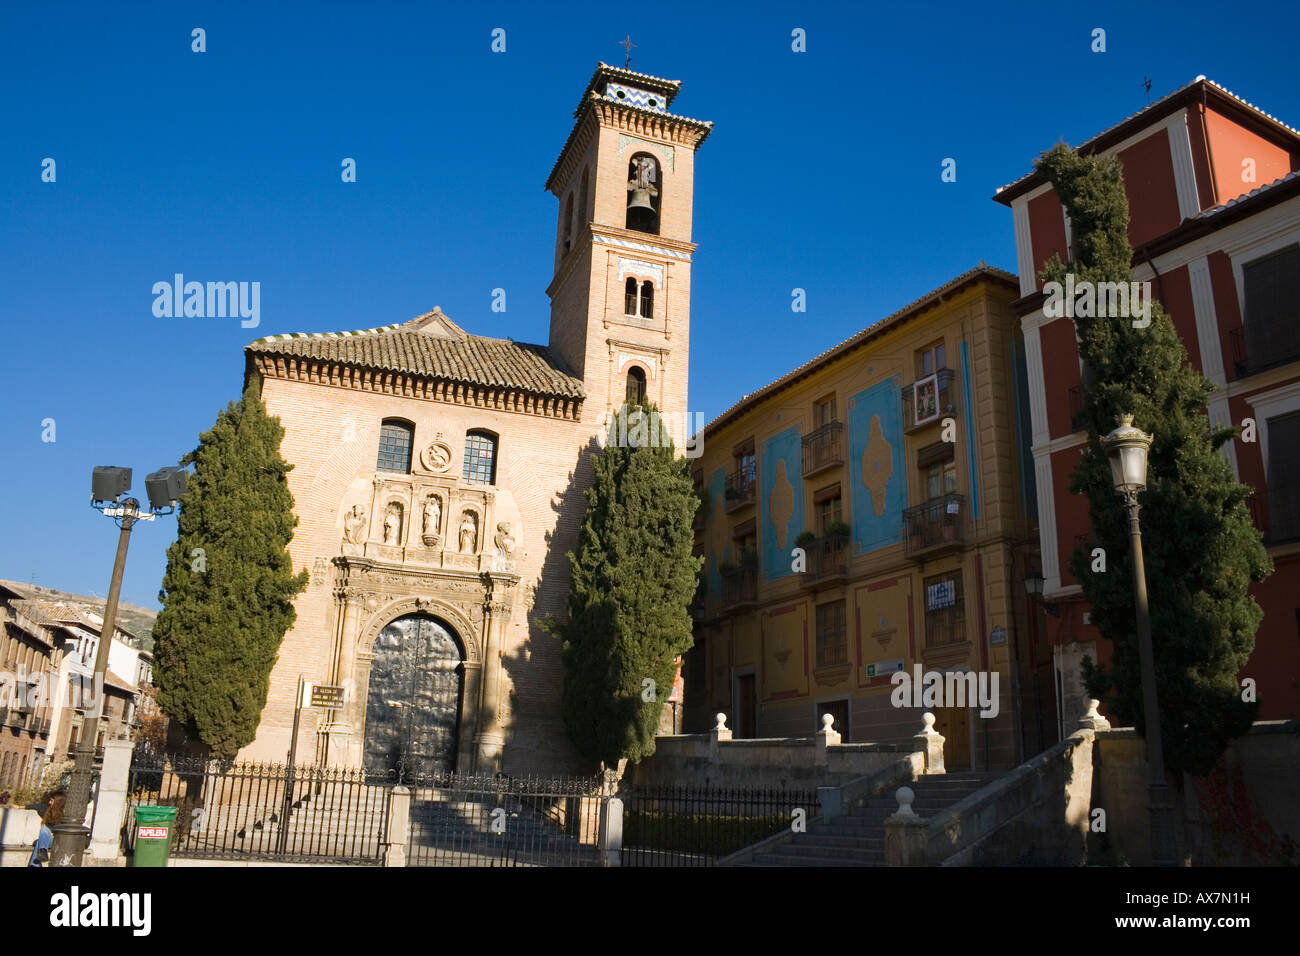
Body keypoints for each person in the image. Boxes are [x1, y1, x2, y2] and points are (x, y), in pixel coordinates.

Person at [29, 793, 64, 866]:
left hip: (59, 840)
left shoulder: (65, 815)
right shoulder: (47, 811)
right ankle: (42, 852)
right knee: (41, 838)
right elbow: (36, 806)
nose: (49, 802)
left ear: (57, 802)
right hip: (47, 841)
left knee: (42, 836)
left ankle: (36, 861)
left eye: (51, 801)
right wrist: (19, 807)